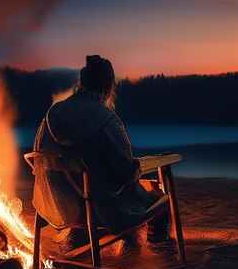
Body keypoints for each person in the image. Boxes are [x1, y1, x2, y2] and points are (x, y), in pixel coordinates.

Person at [32, 54, 170, 250]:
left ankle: (79, 236)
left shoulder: (52, 114)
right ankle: (157, 249)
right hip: (101, 210)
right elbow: (126, 171)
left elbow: (39, 162)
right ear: (108, 86)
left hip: (60, 206)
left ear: (82, 81)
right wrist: (138, 166)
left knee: (94, 187)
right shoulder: (106, 119)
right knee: (159, 200)